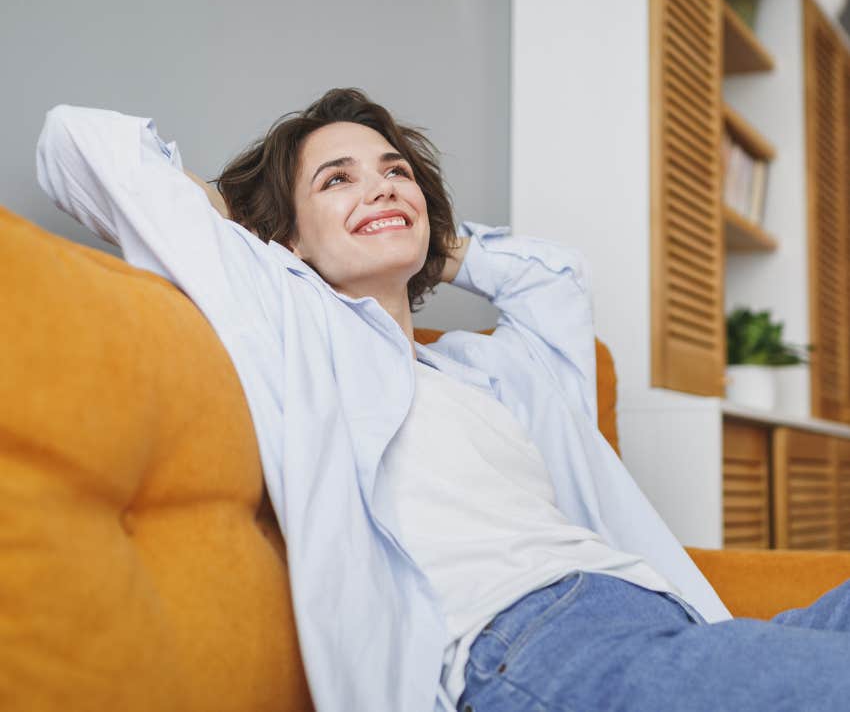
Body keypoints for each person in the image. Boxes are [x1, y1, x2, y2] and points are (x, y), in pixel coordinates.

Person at [35, 88, 850, 712]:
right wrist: (250, 227)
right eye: (338, 179)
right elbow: (80, 142)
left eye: (397, 173)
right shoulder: (293, 327)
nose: (384, 187)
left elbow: (554, 279)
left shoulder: (492, 372)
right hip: (529, 648)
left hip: (663, 621)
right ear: (285, 238)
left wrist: (427, 235)